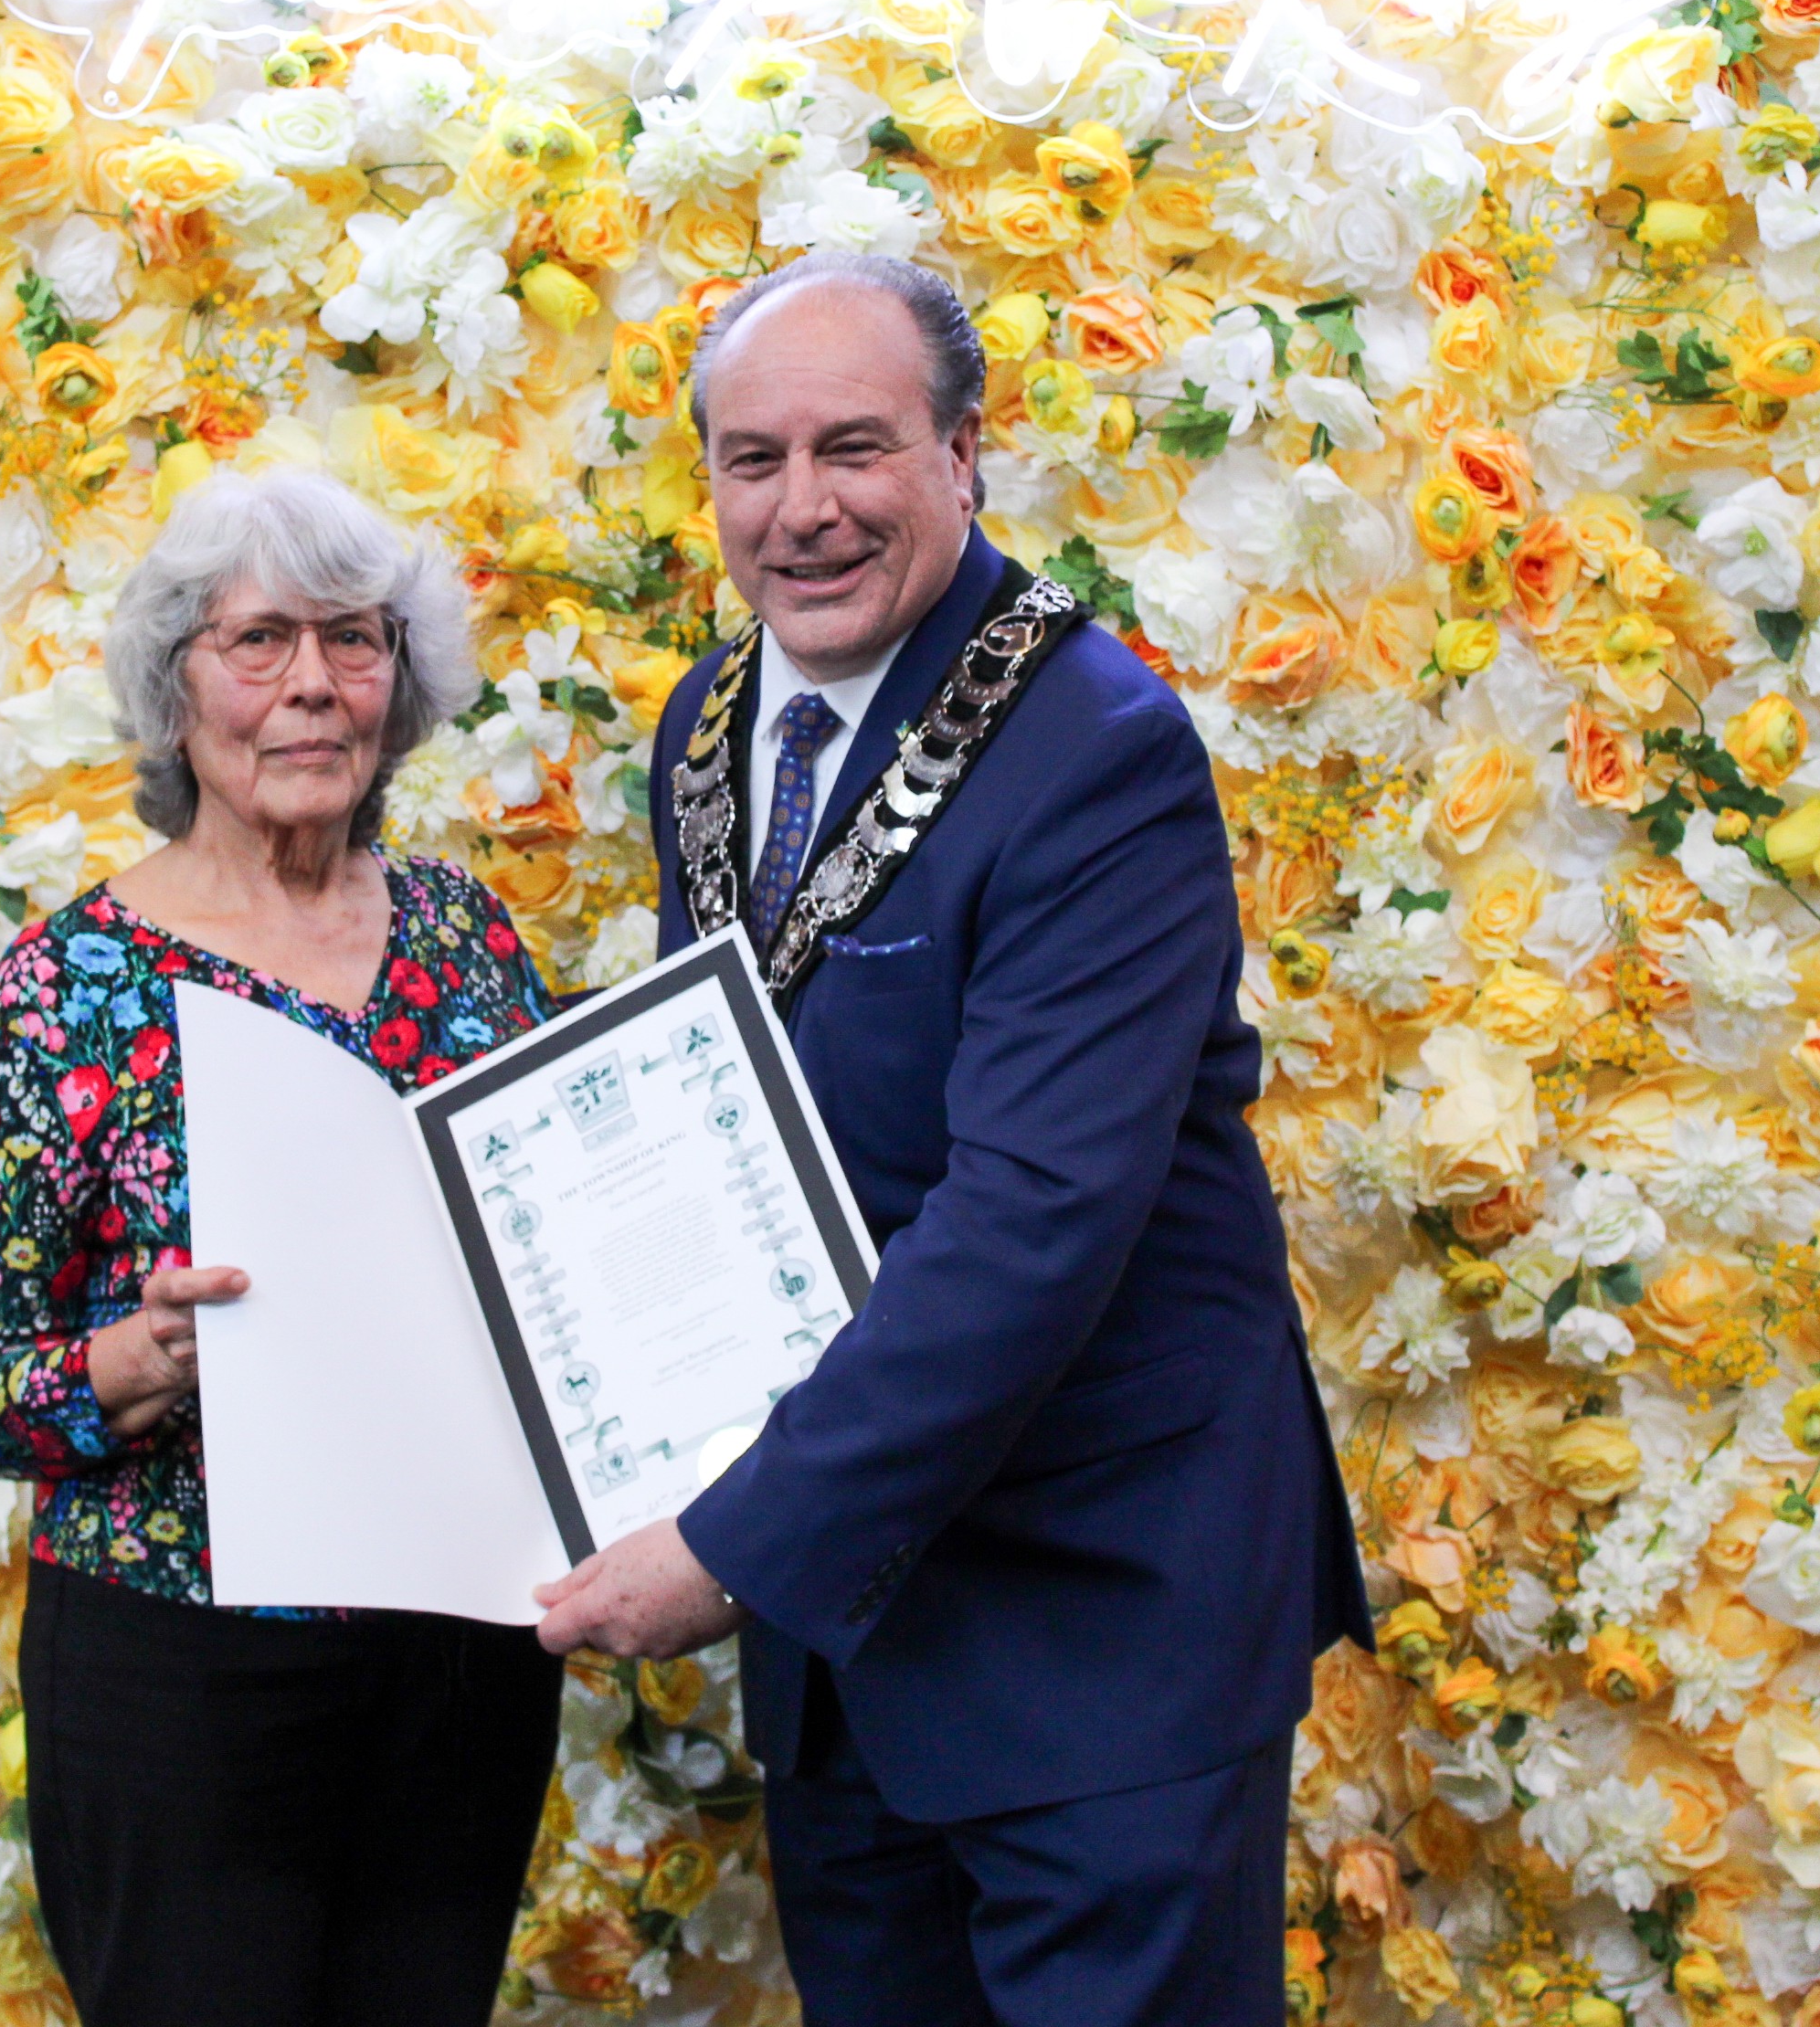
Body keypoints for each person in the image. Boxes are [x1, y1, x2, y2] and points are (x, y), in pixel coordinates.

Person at [531, 251, 1373, 2027]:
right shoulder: (705, 726)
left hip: (1096, 1614)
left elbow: (1031, 1219)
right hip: (849, 1629)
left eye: (857, 446)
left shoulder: (1096, 745)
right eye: (752, 459)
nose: (804, 507)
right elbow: (730, 1131)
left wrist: (729, 1538)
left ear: (965, 451)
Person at [0, 467, 568, 2027]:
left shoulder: (468, 937)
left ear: (397, 683)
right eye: (257, 642)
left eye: (350, 642)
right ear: (175, 691)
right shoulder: (67, 981)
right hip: (180, 1672)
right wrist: (140, 1358)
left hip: (459, 1649)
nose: (308, 687)